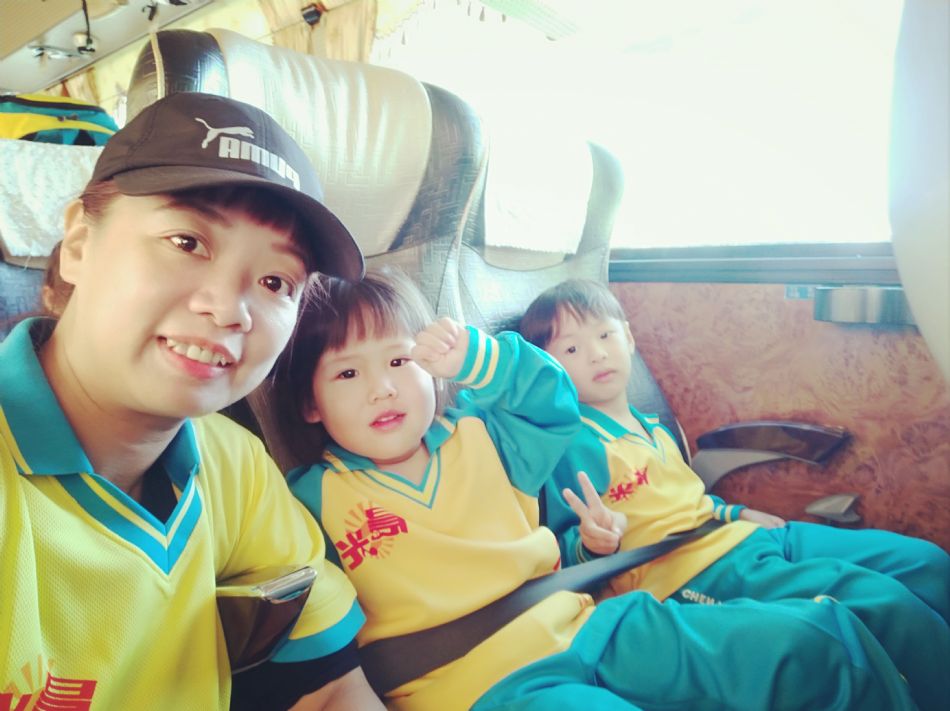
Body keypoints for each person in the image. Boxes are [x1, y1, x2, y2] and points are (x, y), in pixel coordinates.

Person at [275, 266, 917, 711]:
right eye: (348, 374)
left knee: (819, 643)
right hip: (486, 684)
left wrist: (474, 356)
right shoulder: (311, 498)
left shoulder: (481, 435)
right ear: (309, 403)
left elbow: (552, 399)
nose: (383, 388)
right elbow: (301, 637)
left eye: (399, 361)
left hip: (591, 625)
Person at [0, 92, 385, 711]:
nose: (229, 309)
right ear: (78, 244)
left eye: (275, 282)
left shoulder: (236, 464)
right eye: (186, 242)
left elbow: (332, 689)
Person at [519, 277, 950, 711]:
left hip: (738, 536)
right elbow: (562, 549)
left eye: (605, 335)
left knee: (926, 564)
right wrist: (593, 542)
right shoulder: (574, 444)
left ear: (628, 338)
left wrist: (736, 513)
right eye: (571, 349)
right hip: (693, 571)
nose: (596, 353)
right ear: (548, 368)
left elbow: (686, 500)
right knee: (887, 604)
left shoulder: (654, 428)